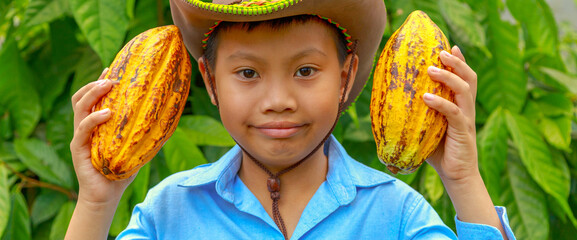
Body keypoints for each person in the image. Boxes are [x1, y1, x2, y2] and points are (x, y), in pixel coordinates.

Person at [66, 0, 516, 239]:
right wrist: (96, 202)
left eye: (305, 71)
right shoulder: (170, 212)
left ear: (345, 77)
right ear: (210, 80)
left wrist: (462, 178)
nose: (278, 100)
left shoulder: (395, 213)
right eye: (247, 73)